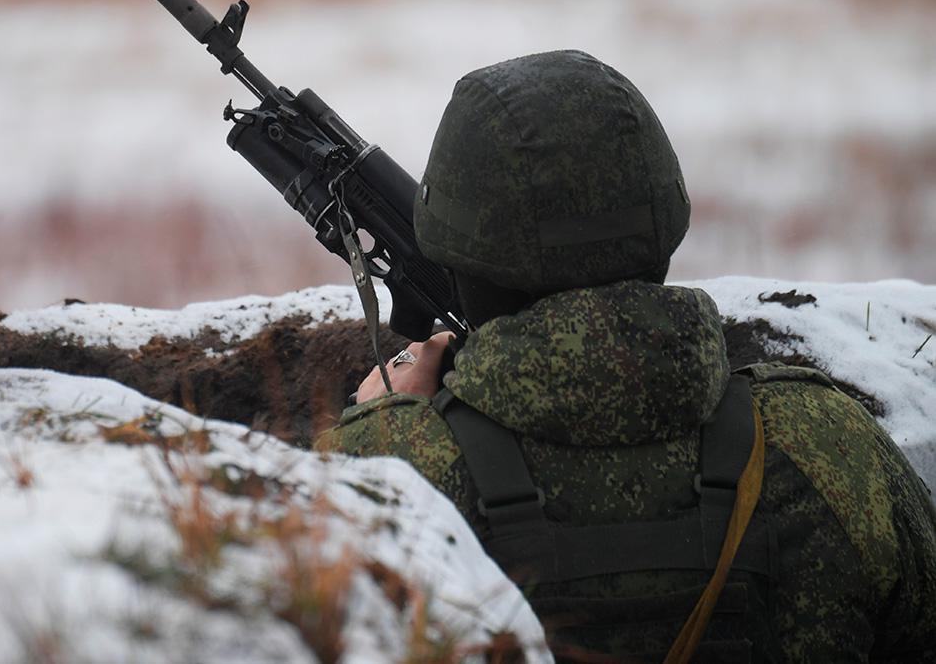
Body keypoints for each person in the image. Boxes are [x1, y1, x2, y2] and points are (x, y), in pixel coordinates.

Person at [316, 51, 936, 663]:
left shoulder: (389, 471)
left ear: (456, 250)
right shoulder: (830, 444)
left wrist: (376, 426)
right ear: (667, 219)